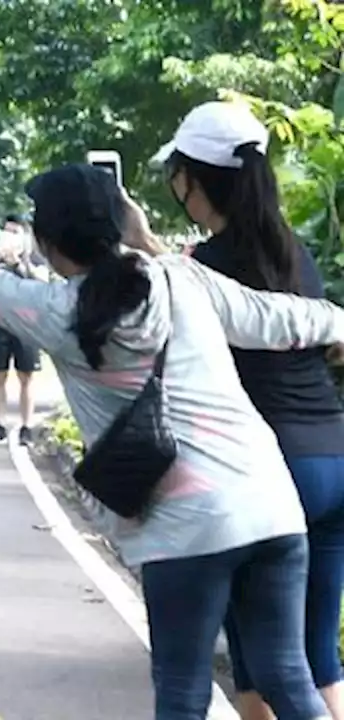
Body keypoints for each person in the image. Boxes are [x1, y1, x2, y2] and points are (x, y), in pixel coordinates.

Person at [0, 149, 342, 720]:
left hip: (184, 531)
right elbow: (282, 318)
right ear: (118, 224)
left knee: (183, 692)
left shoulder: (53, 310)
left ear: (46, 240)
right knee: (288, 676)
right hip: (270, 506)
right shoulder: (180, 277)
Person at [152, 100, 344, 720]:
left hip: (268, 470)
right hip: (334, 457)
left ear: (192, 180)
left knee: (259, 659)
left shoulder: (205, 267)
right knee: (318, 654)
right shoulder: (297, 252)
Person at [0, 214, 48, 446]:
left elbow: (41, 285)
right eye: (7, 232)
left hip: (26, 326)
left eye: (15, 232)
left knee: (26, 376)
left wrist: (19, 264)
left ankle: (26, 427)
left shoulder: (36, 259)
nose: (10, 237)